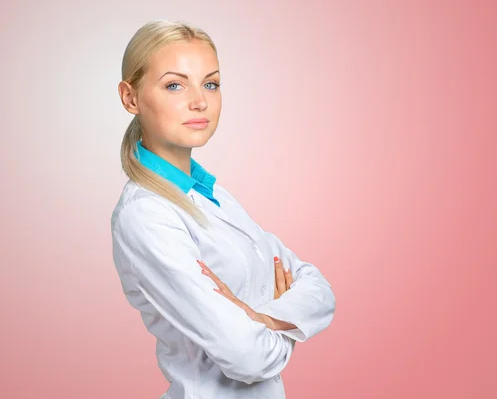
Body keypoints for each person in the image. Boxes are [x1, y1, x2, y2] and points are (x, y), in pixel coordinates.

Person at [110, 20, 336, 399]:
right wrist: (290, 325)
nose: (200, 101)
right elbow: (248, 360)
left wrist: (261, 318)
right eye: (174, 85)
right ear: (130, 98)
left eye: (210, 83)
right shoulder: (145, 216)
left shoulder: (212, 194)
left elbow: (319, 288)